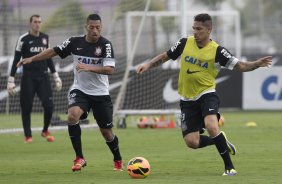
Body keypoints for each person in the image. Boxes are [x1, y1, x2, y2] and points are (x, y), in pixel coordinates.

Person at [136, 13, 272, 176]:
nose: (195, 32)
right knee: (191, 142)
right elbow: (166, 56)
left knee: (211, 126)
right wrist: (149, 64)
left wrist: (257, 63)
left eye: (199, 29)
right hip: (186, 100)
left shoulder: (218, 51)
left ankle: (229, 167)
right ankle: (220, 141)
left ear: (209, 30)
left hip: (207, 94)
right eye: (194, 28)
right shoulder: (184, 42)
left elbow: (241, 66)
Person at [16, 13, 123, 172]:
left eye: (98, 27)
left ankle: (117, 158)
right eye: (92, 27)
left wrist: (88, 67)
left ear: (101, 28)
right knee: (72, 115)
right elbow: (53, 51)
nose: (95, 30)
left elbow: (109, 70)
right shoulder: (75, 42)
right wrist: (32, 58)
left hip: (100, 93)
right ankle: (79, 157)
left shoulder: (106, 45)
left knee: (106, 132)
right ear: (86, 27)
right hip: (80, 90)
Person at [7, 14, 62, 143]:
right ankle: (28, 135)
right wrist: (11, 80)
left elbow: (49, 58)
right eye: (35, 22)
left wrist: (56, 76)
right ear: (30, 23)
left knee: (49, 106)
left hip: (43, 77)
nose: (38, 24)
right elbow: (16, 59)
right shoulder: (23, 39)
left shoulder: (45, 38)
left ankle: (45, 131)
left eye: (39, 22)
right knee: (26, 107)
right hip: (28, 77)